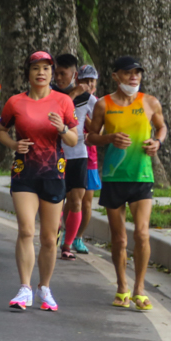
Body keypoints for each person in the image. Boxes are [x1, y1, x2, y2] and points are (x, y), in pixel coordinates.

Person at [0, 51, 78, 311]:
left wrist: (62, 128)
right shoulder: (15, 103)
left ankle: (45, 288)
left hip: (54, 174)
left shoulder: (63, 102)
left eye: (46, 68)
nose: (40, 73)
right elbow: (1, 131)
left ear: (52, 73)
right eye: (35, 69)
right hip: (24, 173)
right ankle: (24, 288)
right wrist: (13, 144)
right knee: (26, 230)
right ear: (28, 74)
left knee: (49, 238)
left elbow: (74, 139)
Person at [85, 56, 166, 310]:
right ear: (116, 76)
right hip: (113, 178)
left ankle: (140, 289)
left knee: (142, 233)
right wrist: (109, 138)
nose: (134, 77)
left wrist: (158, 143)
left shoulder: (150, 102)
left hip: (142, 177)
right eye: (128, 73)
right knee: (119, 239)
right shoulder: (103, 104)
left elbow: (162, 128)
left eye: (138, 73)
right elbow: (90, 138)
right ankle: (122, 286)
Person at [51, 53, 94, 260]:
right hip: (55, 153)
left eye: (63, 73)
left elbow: (101, 118)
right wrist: (75, 91)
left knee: (76, 201)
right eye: (56, 73)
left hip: (78, 154)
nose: (58, 78)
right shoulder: (49, 94)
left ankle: (67, 245)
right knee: (57, 200)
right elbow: (56, 109)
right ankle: (53, 235)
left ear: (74, 74)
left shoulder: (88, 98)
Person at [73, 65, 101, 254]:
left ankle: (78, 236)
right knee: (72, 198)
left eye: (92, 81)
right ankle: (65, 232)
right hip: (71, 154)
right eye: (85, 80)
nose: (89, 84)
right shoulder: (70, 99)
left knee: (87, 201)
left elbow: (98, 130)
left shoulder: (96, 103)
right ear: (77, 81)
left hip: (90, 155)